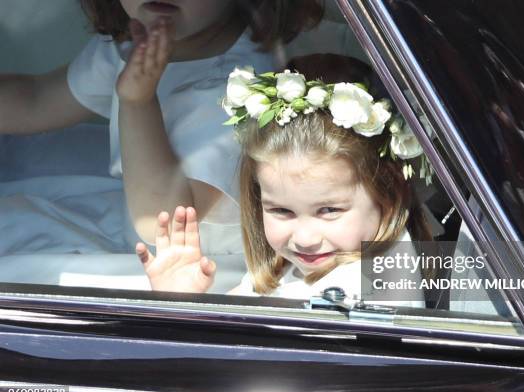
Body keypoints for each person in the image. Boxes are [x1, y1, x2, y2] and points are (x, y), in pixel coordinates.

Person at [0, 0, 323, 248]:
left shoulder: (244, 85)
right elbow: (37, 100)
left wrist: (137, 102)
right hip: (135, 234)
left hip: (204, 269)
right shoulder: (134, 42)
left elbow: (165, 224)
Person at [137, 60, 432, 303]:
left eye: (329, 210)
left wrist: (184, 307)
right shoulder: (300, 265)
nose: (304, 238)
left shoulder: (363, 288)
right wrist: (182, 300)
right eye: (281, 211)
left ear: (388, 191)